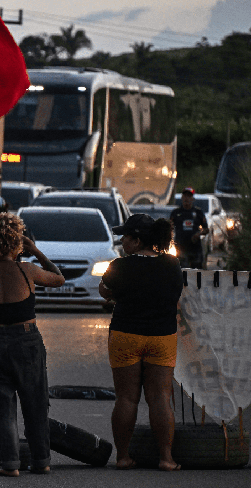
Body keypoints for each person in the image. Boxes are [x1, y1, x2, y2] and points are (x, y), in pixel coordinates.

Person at [0, 213, 64, 476]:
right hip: (27, 340)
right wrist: (37, 251)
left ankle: (10, 464)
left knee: (2, 406)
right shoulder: (27, 270)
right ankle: (41, 460)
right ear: (15, 242)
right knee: (35, 404)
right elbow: (58, 278)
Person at [99, 213, 182, 472]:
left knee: (126, 398)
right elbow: (175, 294)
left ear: (137, 241)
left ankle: (123, 457)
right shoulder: (171, 264)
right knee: (160, 398)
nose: (122, 241)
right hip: (162, 336)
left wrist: (116, 296)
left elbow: (104, 291)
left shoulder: (120, 265)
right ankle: (166, 459)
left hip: (126, 334)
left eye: (125, 236)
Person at [170, 187, 208, 269]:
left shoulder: (198, 212)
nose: (187, 198)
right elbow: (169, 228)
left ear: (193, 199)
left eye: (189, 196)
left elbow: (206, 229)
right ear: (182, 198)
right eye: (185, 196)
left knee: (196, 273)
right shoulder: (176, 213)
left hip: (195, 249)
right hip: (181, 249)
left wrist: (199, 234)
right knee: (182, 272)